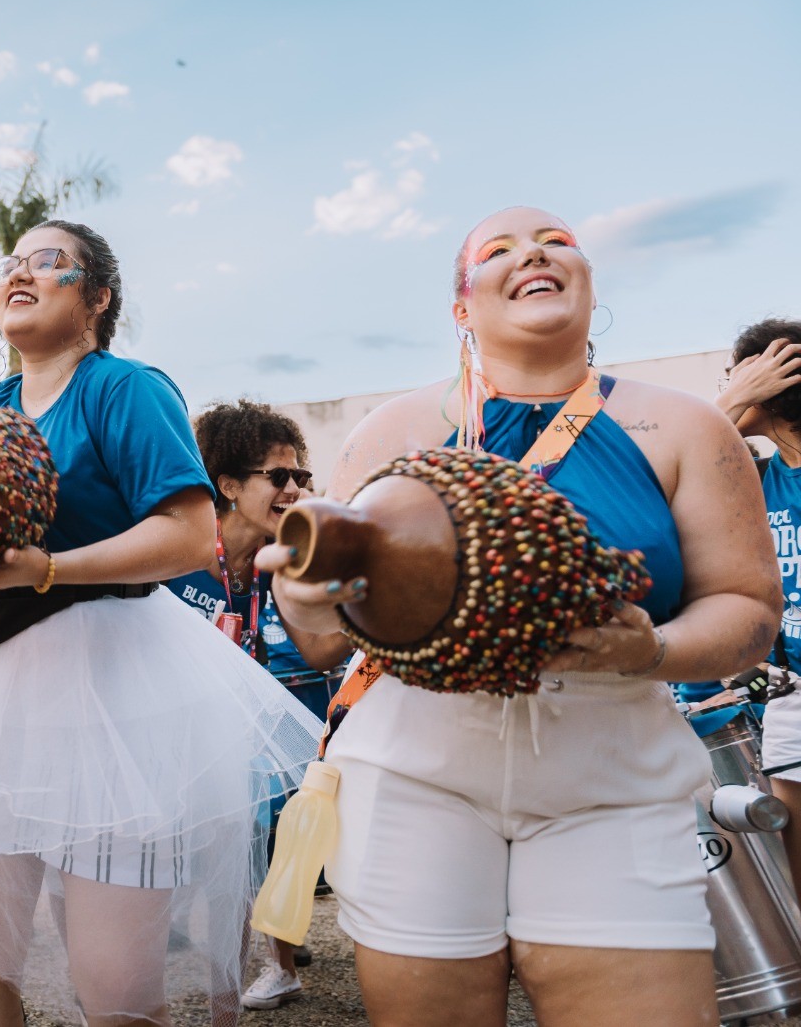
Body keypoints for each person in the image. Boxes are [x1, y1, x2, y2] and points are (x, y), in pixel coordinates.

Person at [263, 206, 779, 1027]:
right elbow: (326, 637)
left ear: (588, 284)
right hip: (415, 768)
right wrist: (297, 586)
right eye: (497, 250)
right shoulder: (390, 430)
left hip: (612, 769)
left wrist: (650, 648)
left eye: (557, 243)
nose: (533, 253)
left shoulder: (684, 424)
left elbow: (749, 611)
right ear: (462, 308)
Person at [0, 222, 322, 1025]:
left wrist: (46, 568)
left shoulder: (126, 388)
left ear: (98, 297)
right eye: (10, 264)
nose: (21, 273)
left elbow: (185, 535)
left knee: (116, 988)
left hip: (112, 694)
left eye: (49, 262)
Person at [165, 400, 353, 1013]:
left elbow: (322, 653)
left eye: (302, 477)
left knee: (262, 860)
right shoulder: (180, 557)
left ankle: (262, 977)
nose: (295, 488)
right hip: (188, 743)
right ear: (227, 484)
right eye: (279, 476)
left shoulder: (286, 562)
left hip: (265, 739)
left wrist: (375, 609)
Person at [714, 319, 801, 891]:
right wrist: (733, 398)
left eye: (737, 371)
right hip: (790, 696)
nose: (728, 383)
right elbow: (655, 467)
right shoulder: (755, 479)